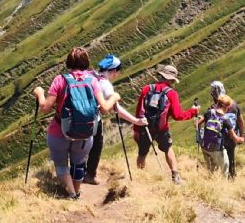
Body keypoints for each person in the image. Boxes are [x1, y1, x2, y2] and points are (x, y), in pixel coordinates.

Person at [32, 47, 120, 199]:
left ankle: (72, 194)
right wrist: (115, 97)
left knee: (61, 165)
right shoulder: (92, 80)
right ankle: (76, 192)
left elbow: (45, 108)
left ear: (68, 63)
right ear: (86, 62)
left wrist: (39, 93)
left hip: (59, 131)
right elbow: (105, 108)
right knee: (79, 164)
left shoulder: (60, 80)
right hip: (85, 133)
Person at [84, 54, 148, 185]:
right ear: (113, 71)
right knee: (96, 145)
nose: (118, 74)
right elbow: (116, 108)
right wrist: (136, 121)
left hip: (78, 115)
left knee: (81, 144)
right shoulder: (105, 84)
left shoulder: (91, 75)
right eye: (117, 71)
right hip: (92, 118)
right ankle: (90, 175)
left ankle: (76, 172)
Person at [134, 63, 199, 184]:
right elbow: (178, 115)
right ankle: (176, 177)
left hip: (145, 128)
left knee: (142, 153)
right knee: (168, 149)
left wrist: (136, 130)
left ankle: (140, 179)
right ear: (171, 80)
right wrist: (193, 111)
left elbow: (139, 112)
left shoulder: (146, 89)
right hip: (162, 129)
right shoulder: (171, 93)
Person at [196, 94, 245, 174]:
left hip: (205, 146)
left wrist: (201, 135)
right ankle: (223, 185)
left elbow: (197, 124)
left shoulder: (209, 112)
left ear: (217, 103)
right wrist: (243, 138)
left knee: (212, 169)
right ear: (227, 107)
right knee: (225, 167)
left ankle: (210, 181)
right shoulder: (225, 119)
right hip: (216, 149)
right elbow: (235, 138)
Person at [209, 80, 245, 179]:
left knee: (218, 160)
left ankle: (220, 178)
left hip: (218, 139)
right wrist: (242, 135)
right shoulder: (234, 105)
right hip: (232, 137)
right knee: (231, 158)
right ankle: (232, 176)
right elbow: (240, 121)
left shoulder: (213, 108)